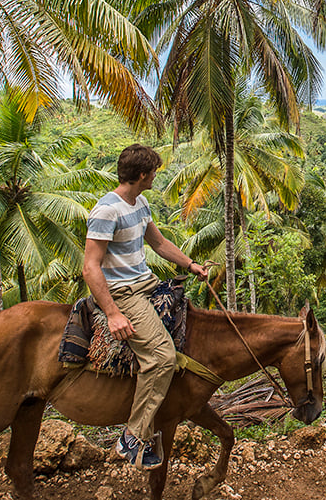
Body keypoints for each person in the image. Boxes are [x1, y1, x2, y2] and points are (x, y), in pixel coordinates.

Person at [83, 144, 208, 469]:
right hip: (124, 293)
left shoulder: (139, 202)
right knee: (162, 358)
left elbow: (159, 243)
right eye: (153, 172)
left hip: (146, 282)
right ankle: (133, 437)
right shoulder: (106, 211)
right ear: (141, 175)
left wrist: (191, 264)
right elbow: (91, 267)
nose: (156, 176)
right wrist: (113, 313)